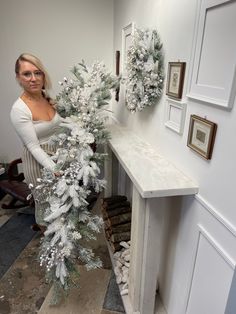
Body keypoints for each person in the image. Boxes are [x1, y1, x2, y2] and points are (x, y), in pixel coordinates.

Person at [10, 53, 62, 232]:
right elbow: (33, 146)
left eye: (37, 73)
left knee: (61, 203)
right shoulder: (19, 109)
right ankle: (50, 243)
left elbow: (59, 124)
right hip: (37, 162)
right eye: (26, 74)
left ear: (43, 75)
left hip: (57, 157)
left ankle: (63, 241)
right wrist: (53, 168)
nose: (33, 79)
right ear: (18, 77)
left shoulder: (46, 97)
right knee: (46, 207)